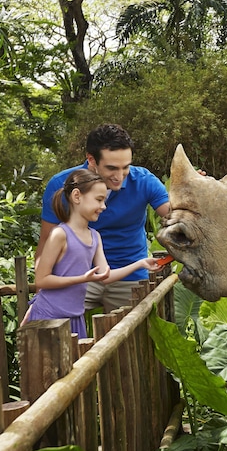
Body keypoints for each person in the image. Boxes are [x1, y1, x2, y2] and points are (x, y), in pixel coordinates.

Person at [35, 123, 170, 313]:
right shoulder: (61, 184)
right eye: (111, 168)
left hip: (129, 275)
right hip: (78, 276)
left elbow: (175, 216)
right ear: (91, 160)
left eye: (125, 167)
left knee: (132, 339)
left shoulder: (144, 181)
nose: (119, 176)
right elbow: (46, 240)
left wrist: (192, 191)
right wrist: (41, 289)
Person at [24, 169, 162, 337]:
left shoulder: (95, 236)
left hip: (75, 318)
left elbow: (106, 275)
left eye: (104, 200)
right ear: (77, 196)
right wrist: (83, 279)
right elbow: (42, 279)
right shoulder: (59, 234)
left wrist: (140, 264)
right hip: (50, 316)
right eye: (99, 200)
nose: (103, 207)